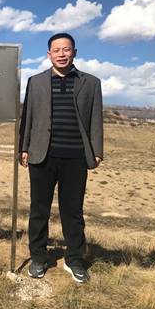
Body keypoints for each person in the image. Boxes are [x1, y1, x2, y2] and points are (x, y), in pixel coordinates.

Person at [19, 32, 103, 283]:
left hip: (76, 157)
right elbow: (28, 116)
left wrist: (97, 150)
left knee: (73, 211)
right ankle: (38, 257)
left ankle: (74, 259)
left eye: (66, 49)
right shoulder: (36, 81)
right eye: (56, 50)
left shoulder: (91, 83)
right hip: (42, 155)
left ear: (74, 52)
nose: (62, 54)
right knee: (39, 210)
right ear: (49, 54)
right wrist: (23, 148)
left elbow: (96, 118)